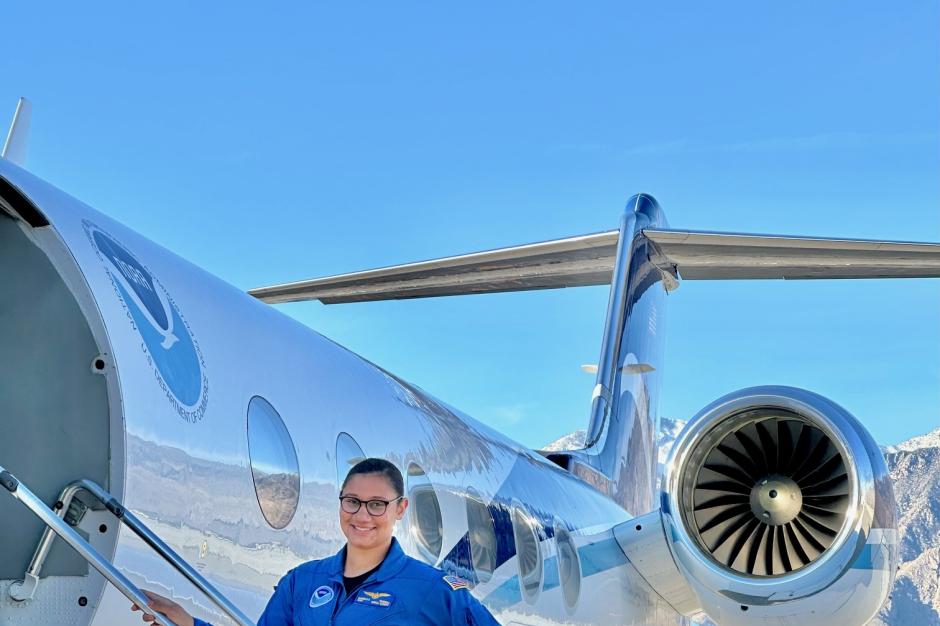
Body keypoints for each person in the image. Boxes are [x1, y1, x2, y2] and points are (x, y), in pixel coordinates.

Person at [132, 457, 500, 625]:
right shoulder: (302, 582)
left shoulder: (433, 590)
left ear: (400, 509)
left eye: (377, 505)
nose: (362, 515)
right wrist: (187, 623)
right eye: (352, 502)